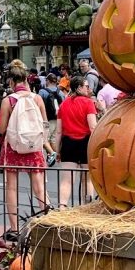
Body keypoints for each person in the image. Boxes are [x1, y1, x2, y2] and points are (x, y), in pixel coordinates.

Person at [0, 63, 54, 241]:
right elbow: (45, 124)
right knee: (39, 186)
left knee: (11, 187)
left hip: (14, 147)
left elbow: (1, 129)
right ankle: (48, 222)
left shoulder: (9, 100)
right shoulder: (36, 98)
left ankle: (14, 229)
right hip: (34, 146)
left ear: (12, 81)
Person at [53, 75, 98, 206]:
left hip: (68, 143)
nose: (89, 89)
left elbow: (59, 131)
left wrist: (58, 150)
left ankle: (62, 207)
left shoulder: (64, 104)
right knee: (87, 180)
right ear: (78, 88)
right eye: (86, 86)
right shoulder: (88, 103)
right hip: (85, 142)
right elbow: (93, 127)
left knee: (67, 180)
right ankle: (87, 207)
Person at [38, 74, 64, 142]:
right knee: (54, 140)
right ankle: (54, 152)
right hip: (58, 119)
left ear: (48, 81)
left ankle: (50, 152)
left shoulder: (42, 92)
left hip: (46, 119)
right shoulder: (61, 93)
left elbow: (38, 105)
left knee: (45, 140)